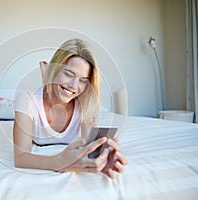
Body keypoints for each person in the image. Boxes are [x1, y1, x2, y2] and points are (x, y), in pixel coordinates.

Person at [13, 38, 127, 178]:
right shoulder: (27, 98)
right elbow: (20, 158)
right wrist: (58, 162)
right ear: (55, 69)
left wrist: (102, 158)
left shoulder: (86, 103)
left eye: (83, 80)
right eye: (68, 74)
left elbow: (88, 149)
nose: (74, 85)